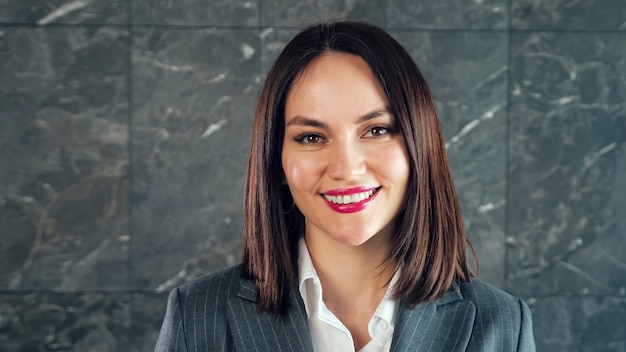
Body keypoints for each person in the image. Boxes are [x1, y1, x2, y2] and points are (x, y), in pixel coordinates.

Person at [154, 20, 536, 352]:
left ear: (420, 147)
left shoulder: (501, 325)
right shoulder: (198, 316)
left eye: (377, 130)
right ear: (277, 161)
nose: (346, 169)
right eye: (311, 137)